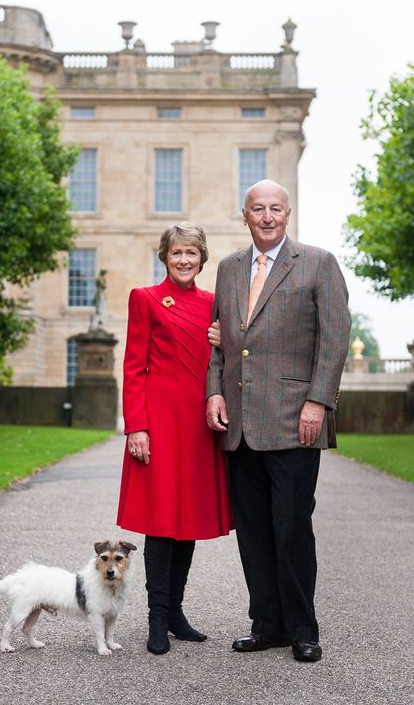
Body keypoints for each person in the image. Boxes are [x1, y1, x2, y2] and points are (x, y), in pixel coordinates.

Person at [206, 179, 351, 663]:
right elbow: (220, 344)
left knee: (291, 529)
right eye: (257, 209)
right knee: (253, 532)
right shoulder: (227, 270)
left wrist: (318, 402)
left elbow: (334, 340)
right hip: (240, 423)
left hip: (295, 420)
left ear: (287, 214)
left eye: (275, 209)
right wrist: (213, 393)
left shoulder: (318, 263)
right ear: (243, 215)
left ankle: (303, 628)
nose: (266, 216)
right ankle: (266, 624)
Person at [117, 222, 233, 655]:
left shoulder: (214, 304)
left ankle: (177, 612)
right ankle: (156, 618)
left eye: (192, 253)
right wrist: (137, 426)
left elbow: (228, 358)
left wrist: (227, 338)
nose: (184, 260)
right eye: (176, 253)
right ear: (164, 256)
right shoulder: (145, 299)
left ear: (203, 258)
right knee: (163, 521)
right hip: (161, 422)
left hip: (200, 422)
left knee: (187, 523)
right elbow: (133, 367)